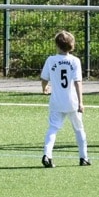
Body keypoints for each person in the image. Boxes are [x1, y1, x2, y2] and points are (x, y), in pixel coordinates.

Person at [39, 30, 90, 167]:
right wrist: (81, 102)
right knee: (79, 129)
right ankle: (83, 157)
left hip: (56, 101)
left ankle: (47, 155)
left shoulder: (51, 60)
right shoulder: (74, 61)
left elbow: (44, 78)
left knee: (53, 128)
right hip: (72, 102)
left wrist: (44, 88)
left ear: (57, 45)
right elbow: (77, 82)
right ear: (72, 45)